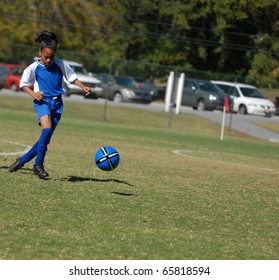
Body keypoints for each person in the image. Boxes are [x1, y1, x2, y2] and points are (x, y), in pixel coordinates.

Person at [8, 30, 92, 179]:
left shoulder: (60, 64)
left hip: (57, 104)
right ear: (40, 52)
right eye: (46, 57)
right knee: (46, 131)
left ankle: (21, 161)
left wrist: (82, 86)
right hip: (42, 102)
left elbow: (72, 77)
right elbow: (23, 84)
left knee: (45, 139)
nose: (48, 60)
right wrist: (33, 94)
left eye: (51, 57)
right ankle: (38, 166)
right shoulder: (33, 67)